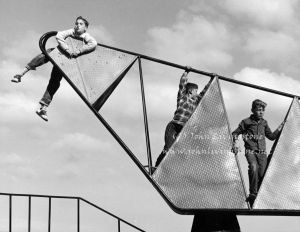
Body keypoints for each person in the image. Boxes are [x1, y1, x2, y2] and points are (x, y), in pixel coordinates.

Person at [12, 16, 97, 121]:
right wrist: (66, 48)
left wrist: (79, 51)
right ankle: (20, 74)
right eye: (76, 23)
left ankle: (43, 108)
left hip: (64, 62)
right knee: (43, 56)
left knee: (55, 82)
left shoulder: (85, 36)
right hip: (58, 53)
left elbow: (93, 44)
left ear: (85, 28)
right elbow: (59, 35)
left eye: (81, 24)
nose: (77, 26)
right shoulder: (71, 32)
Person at [154, 67, 213, 168]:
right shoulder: (182, 98)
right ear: (190, 91)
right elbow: (182, 85)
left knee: (176, 152)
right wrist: (186, 72)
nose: (197, 93)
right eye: (195, 91)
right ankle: (156, 166)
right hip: (174, 126)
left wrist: (211, 80)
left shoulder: (196, 102)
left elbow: (204, 92)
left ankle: (166, 169)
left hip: (183, 130)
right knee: (168, 148)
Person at [232, 99, 284, 207]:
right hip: (250, 151)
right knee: (253, 167)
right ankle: (253, 193)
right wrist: (236, 142)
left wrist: (280, 128)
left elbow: (271, 137)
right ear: (253, 110)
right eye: (259, 110)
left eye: (263, 110)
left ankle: (257, 198)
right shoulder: (246, 122)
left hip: (262, 153)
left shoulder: (264, 123)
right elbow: (235, 133)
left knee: (261, 174)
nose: (261, 112)